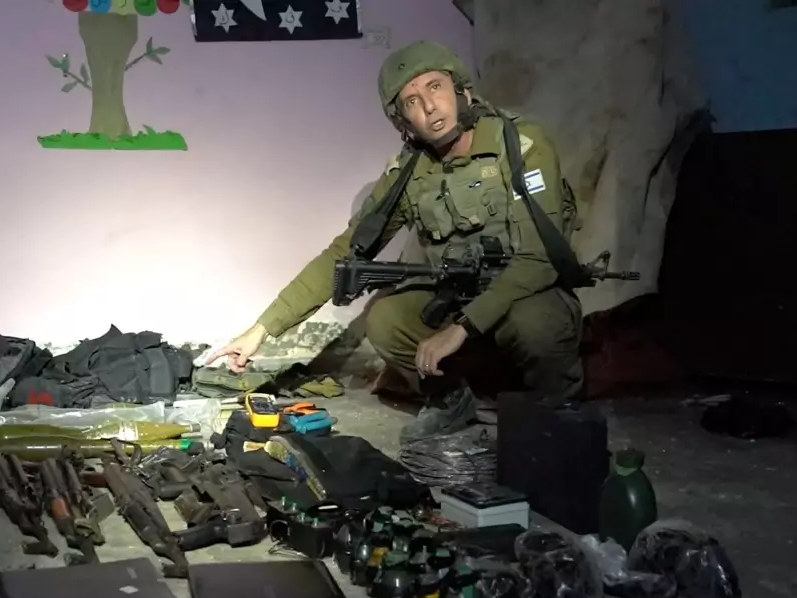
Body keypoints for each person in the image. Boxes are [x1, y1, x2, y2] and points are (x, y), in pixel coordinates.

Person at [207, 41, 586, 443]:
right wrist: (262, 329)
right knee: (386, 318)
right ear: (403, 119)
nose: (430, 107)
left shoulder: (520, 144)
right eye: (412, 101)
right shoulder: (410, 172)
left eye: (435, 87)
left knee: (535, 323)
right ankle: (453, 401)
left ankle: (557, 409)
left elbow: (539, 258)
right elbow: (344, 253)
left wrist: (462, 327)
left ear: (461, 90)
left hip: (525, 291)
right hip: (459, 295)